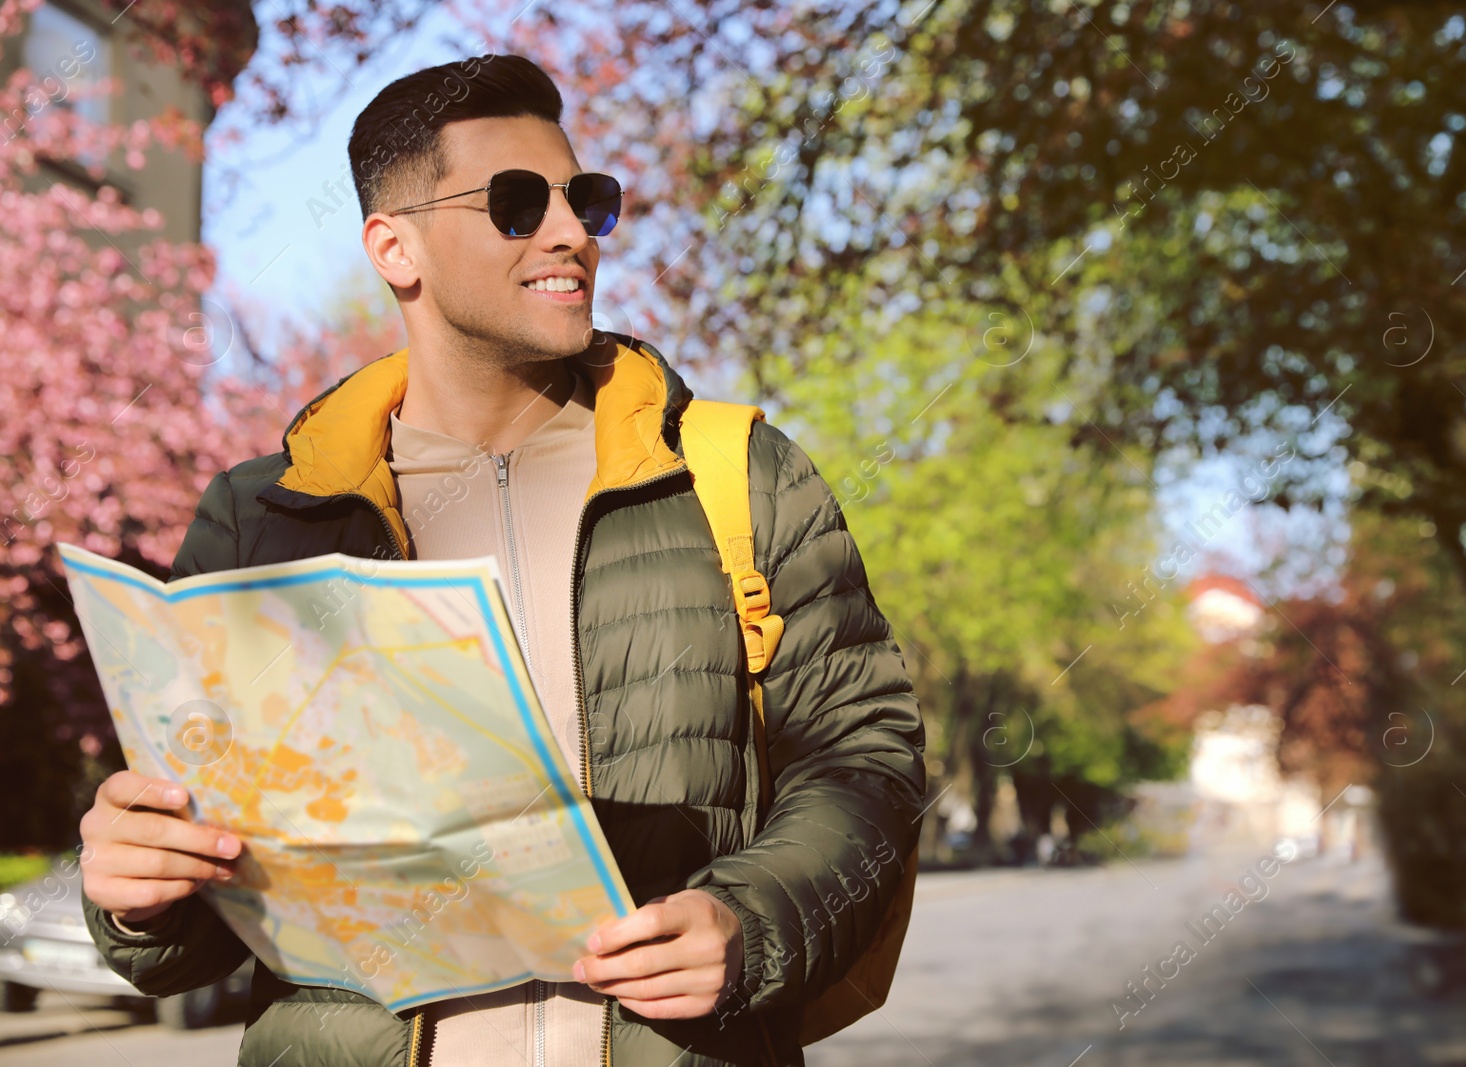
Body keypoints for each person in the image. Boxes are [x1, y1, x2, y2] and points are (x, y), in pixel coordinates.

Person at [78, 54, 926, 1067]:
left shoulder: (736, 471)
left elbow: (866, 755)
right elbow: (201, 916)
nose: (571, 231)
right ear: (396, 248)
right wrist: (139, 890)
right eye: (517, 205)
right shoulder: (263, 520)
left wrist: (754, 920)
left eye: (587, 199)